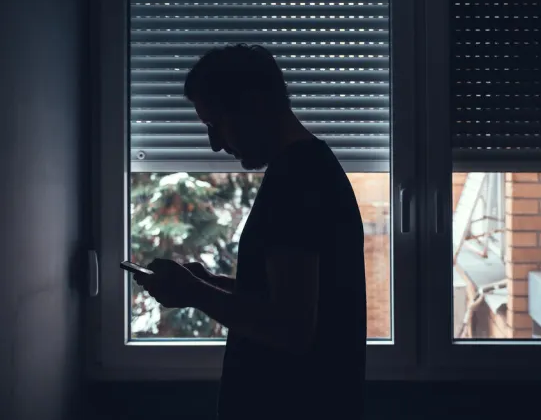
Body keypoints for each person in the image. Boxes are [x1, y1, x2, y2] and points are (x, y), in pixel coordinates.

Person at [133, 44, 367, 419]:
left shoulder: (297, 180)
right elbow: (285, 300)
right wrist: (211, 282)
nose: (214, 143)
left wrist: (193, 292)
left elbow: (291, 329)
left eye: (215, 124)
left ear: (254, 105)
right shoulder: (311, 168)